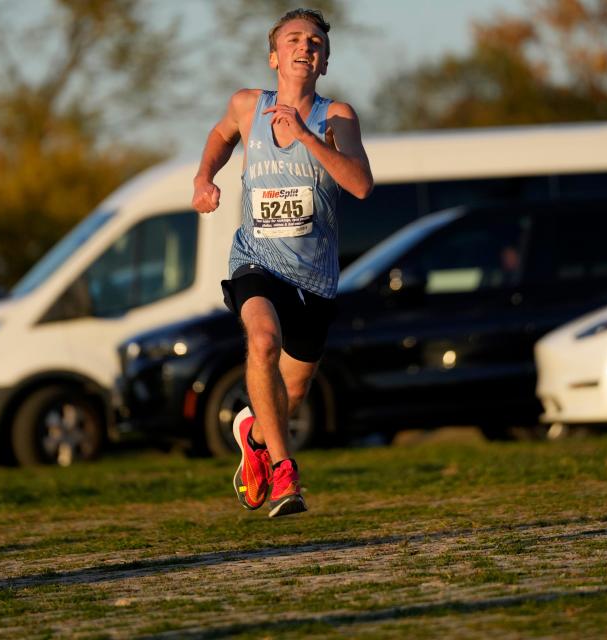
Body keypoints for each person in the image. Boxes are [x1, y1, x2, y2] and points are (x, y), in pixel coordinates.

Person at [191, 9, 373, 517]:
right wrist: (204, 178)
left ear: (324, 63)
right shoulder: (248, 105)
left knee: (290, 393)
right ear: (275, 56)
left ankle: (255, 434)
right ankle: (285, 472)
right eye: (294, 39)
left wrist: (309, 138)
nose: (305, 46)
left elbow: (360, 184)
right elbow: (220, 136)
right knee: (263, 340)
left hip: (314, 277)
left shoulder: (337, 117)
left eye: (316, 42)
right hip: (256, 260)